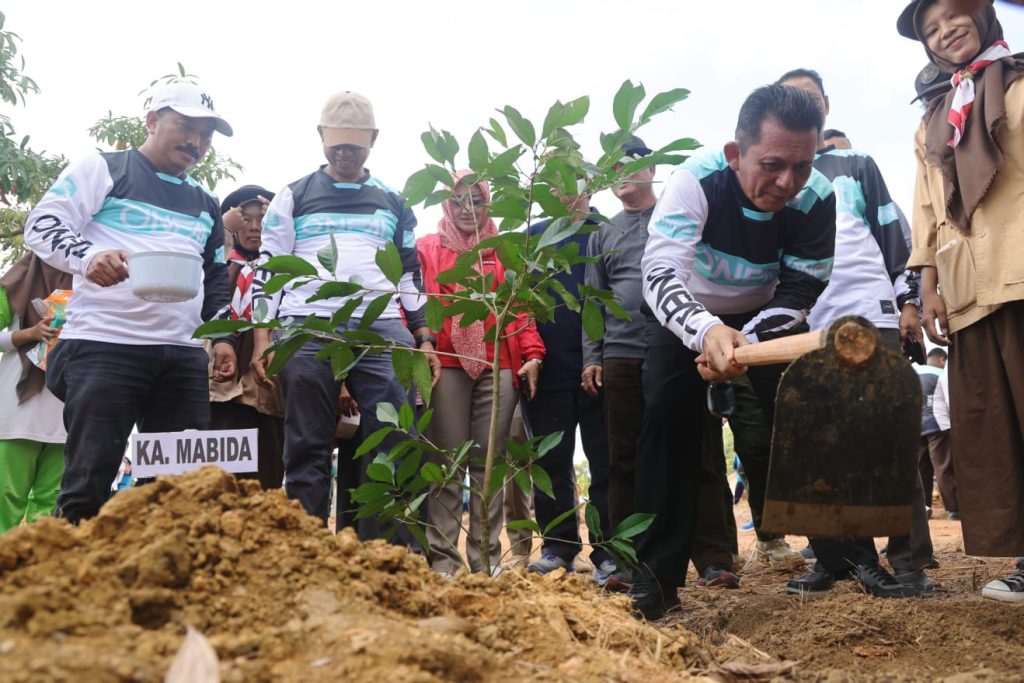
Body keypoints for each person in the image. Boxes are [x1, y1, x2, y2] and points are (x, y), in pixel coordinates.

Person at [630, 84, 836, 619]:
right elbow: (659, 272)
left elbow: (802, 286)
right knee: (666, 427)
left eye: (801, 165)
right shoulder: (694, 182)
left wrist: (746, 345)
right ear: (734, 154)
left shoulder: (817, 197)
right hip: (687, 314)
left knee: (806, 419)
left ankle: (844, 559)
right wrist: (705, 332)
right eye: (771, 164)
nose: (787, 182)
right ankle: (655, 582)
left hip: (765, 319)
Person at [23, 82, 236, 524]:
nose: (195, 142)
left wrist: (221, 337)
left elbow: (216, 276)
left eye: (205, 135)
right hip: (104, 346)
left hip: (181, 358)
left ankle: (155, 584)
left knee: (174, 488)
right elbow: (42, 223)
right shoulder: (104, 168)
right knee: (89, 483)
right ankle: (74, 584)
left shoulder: (205, 203)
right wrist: (87, 257)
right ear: (152, 121)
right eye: (185, 127)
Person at [778, 68, 936, 598]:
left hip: (868, 312)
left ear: (825, 108)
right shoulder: (779, 174)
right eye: (791, 99)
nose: (803, 106)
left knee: (886, 440)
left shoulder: (855, 164)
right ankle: (839, 560)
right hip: (805, 325)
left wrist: (908, 301)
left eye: (812, 99)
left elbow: (892, 230)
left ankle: (910, 562)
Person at [250, 91, 440, 526]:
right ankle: (307, 549)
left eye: (354, 143)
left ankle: (384, 557)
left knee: (395, 436)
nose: (345, 152)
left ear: (373, 139)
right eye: (336, 143)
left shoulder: (393, 201)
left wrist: (424, 336)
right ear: (320, 136)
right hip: (308, 326)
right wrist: (263, 337)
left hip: (383, 327)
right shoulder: (293, 195)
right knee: (306, 442)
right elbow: (270, 269)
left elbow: (410, 274)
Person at [898, 0, 1024, 602]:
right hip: (970, 288)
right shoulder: (931, 120)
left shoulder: (1022, 82)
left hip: (1022, 270)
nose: (945, 30)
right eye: (931, 28)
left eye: (955, 14)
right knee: (998, 429)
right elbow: (926, 207)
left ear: (981, 15)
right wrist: (927, 287)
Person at [582, 136, 740, 590]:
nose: (620, 175)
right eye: (610, 167)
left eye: (630, 164)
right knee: (624, 459)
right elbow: (592, 303)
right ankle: (629, 562)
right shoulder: (603, 234)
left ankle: (714, 557)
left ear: (652, 169)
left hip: (678, 350)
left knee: (701, 450)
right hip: (621, 355)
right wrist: (593, 357)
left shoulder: (676, 213)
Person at [417, 171, 545, 576]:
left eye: (477, 200)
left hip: (499, 364)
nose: (468, 209)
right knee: (447, 464)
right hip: (447, 363)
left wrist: (532, 353)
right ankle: (444, 563)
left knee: (490, 463)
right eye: (459, 201)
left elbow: (521, 306)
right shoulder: (426, 248)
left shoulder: (504, 249)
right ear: (446, 204)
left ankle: (486, 561)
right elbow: (416, 304)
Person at [524, 180, 616, 583]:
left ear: (590, 186)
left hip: (600, 369)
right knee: (551, 462)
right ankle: (558, 547)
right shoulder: (533, 237)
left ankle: (609, 549)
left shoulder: (607, 231)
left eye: (572, 180)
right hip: (546, 372)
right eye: (556, 180)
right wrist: (530, 356)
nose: (564, 189)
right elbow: (519, 303)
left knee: (605, 462)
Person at [209, 185, 285, 490]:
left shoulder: (286, 271)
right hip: (219, 386)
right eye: (246, 219)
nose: (254, 228)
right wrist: (223, 229)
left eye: (263, 220)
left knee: (263, 475)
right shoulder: (217, 264)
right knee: (215, 477)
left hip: (267, 387)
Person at [0, 254, 72, 531]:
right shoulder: (17, 282)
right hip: (18, 410)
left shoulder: (98, 285)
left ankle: (37, 569)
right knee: (5, 496)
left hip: (70, 409)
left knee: (53, 505)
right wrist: (27, 334)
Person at [916, 348, 958, 518]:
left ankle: (923, 508)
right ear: (942, 360)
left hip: (917, 426)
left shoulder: (915, 373)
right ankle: (954, 508)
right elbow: (948, 401)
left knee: (921, 468)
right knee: (943, 466)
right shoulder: (941, 375)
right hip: (937, 426)